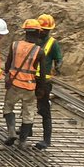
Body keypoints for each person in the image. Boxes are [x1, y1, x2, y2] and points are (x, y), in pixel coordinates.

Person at [2, 19, 43, 147]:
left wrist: (8, 78)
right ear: (38, 33)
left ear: (25, 32)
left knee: (8, 108)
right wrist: (40, 90)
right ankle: (22, 141)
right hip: (29, 87)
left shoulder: (15, 45)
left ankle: (12, 132)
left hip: (14, 85)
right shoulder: (39, 51)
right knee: (28, 113)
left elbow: (8, 65)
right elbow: (42, 75)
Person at [32, 13, 64, 150]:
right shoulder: (33, 40)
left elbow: (58, 59)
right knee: (26, 106)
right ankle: (27, 130)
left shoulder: (53, 43)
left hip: (44, 82)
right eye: (41, 29)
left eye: (45, 30)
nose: (42, 32)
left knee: (44, 109)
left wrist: (58, 66)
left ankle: (46, 139)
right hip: (30, 78)